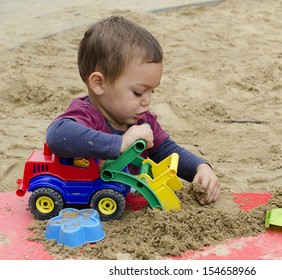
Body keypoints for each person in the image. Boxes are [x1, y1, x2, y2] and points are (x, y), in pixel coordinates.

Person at [46, 16, 220, 205]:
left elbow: (167, 151)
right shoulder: (86, 115)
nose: (147, 101)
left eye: (151, 91)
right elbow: (57, 135)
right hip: (87, 198)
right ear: (99, 83)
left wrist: (199, 167)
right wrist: (120, 143)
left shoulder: (142, 120)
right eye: (138, 92)